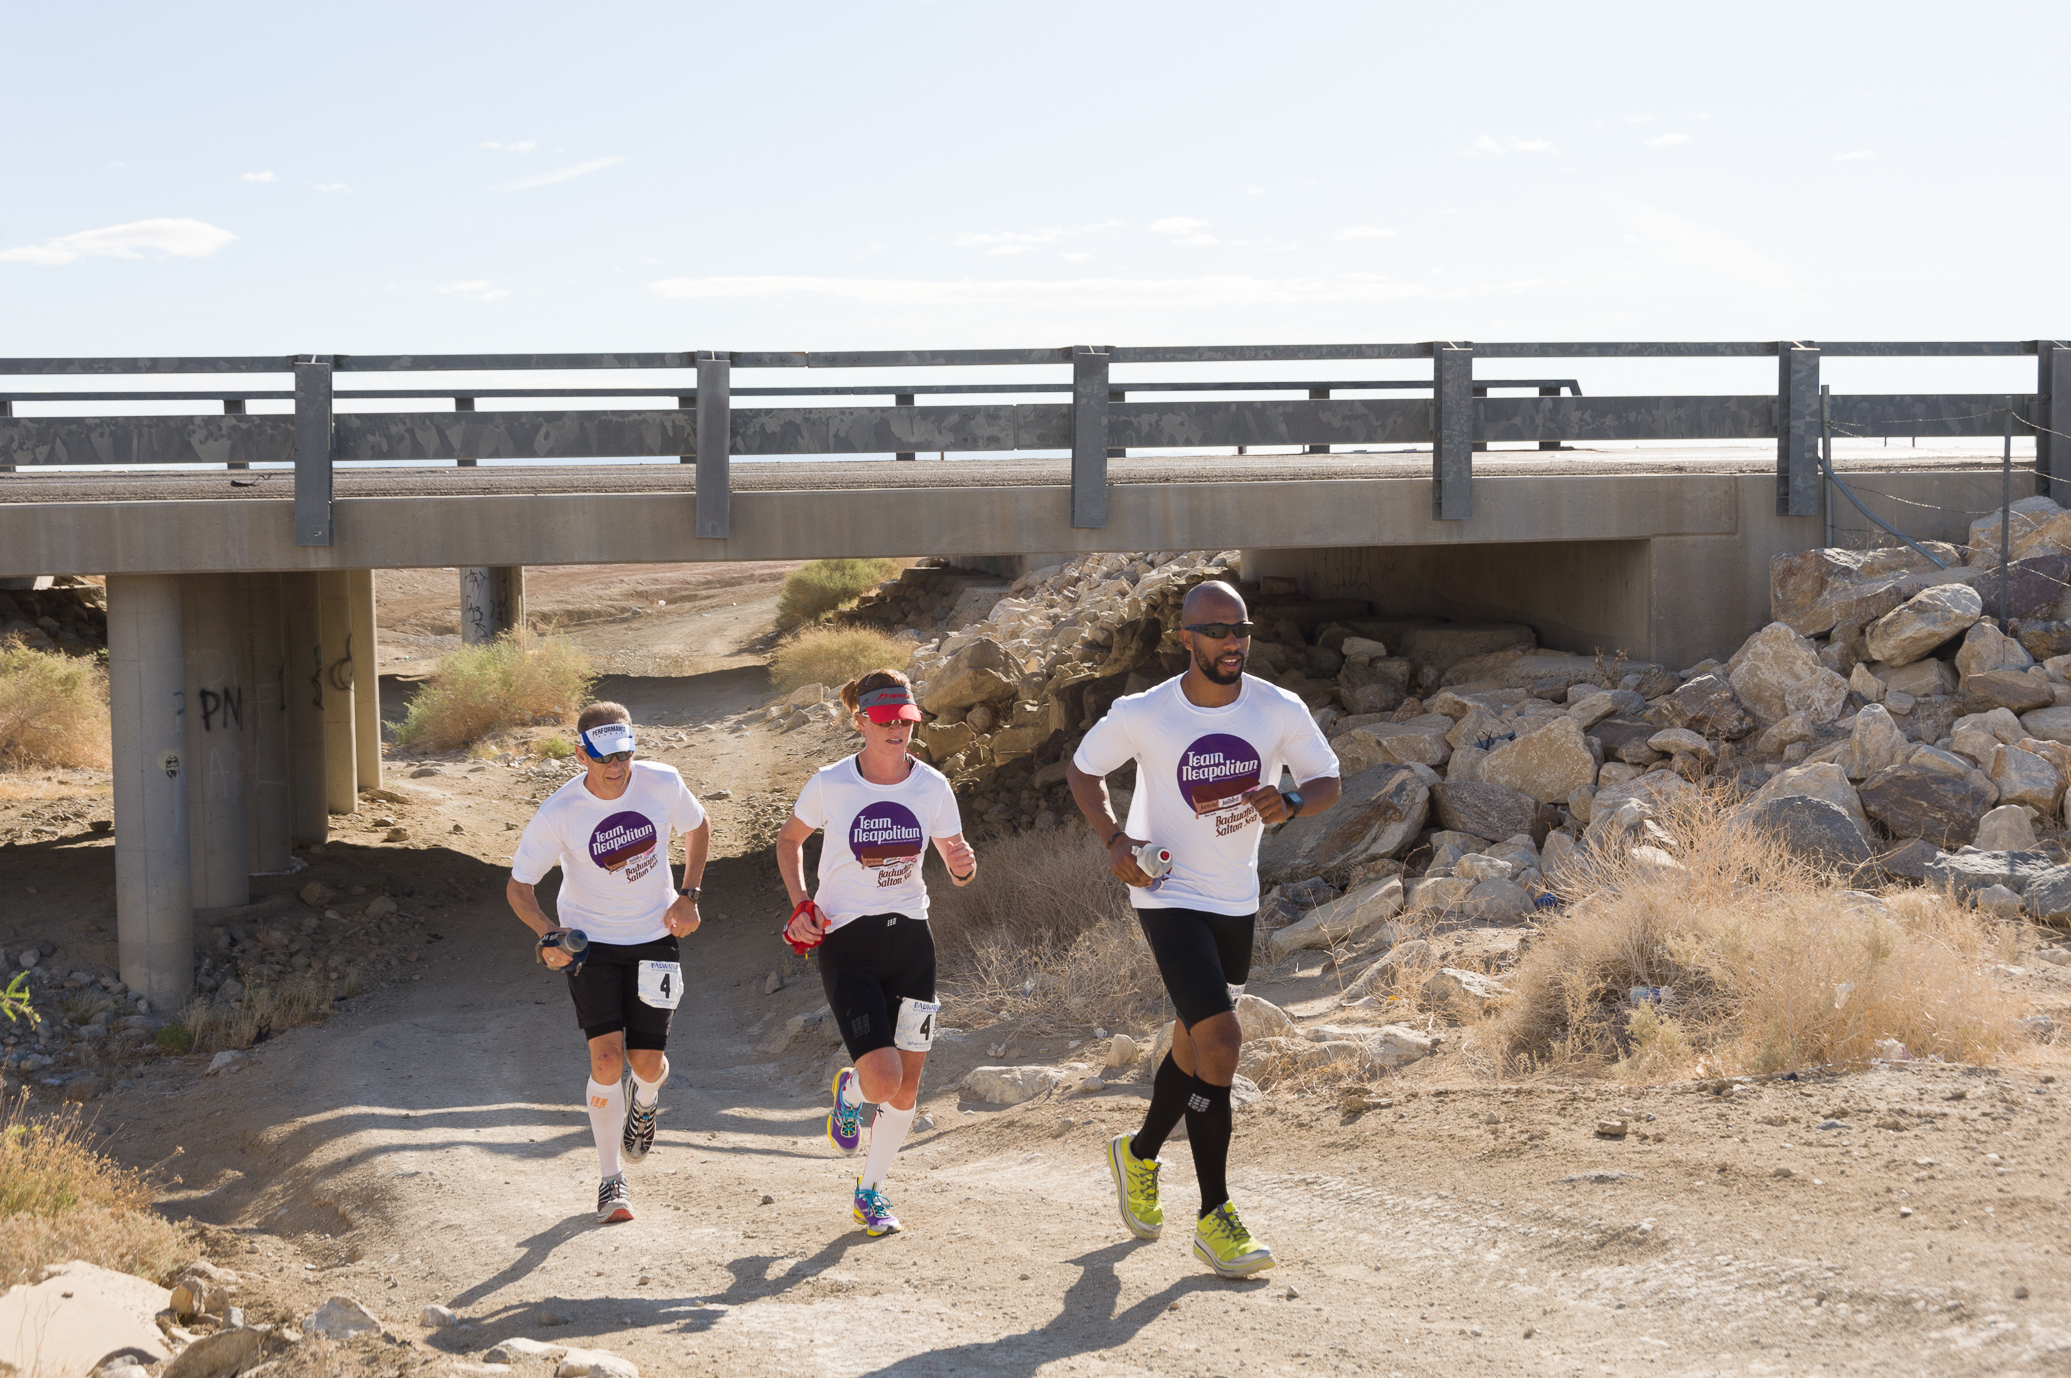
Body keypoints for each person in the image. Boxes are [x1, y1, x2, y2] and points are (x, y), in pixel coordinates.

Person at [1066, 580, 1341, 1278]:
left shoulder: (1277, 707)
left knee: (1193, 1046)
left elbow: (1327, 781)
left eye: (1241, 629)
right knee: (1221, 1040)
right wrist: (1113, 842)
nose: (1232, 642)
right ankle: (1215, 1217)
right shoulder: (1144, 713)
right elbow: (1082, 770)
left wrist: (1289, 801)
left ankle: (1138, 1154)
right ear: (1186, 638)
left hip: (1234, 896)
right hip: (1165, 892)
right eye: (1217, 631)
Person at [776, 669, 976, 1237]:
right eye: (885, 722)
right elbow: (789, 841)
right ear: (860, 720)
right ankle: (852, 1089)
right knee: (883, 1081)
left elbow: (958, 862)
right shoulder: (831, 783)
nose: (898, 732)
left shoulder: (932, 785)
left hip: (913, 943)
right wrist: (801, 905)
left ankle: (871, 1191)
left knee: (909, 1088)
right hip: (848, 945)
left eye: (906, 722)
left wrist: (964, 868)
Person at [507, 702, 710, 1224]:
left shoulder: (662, 782)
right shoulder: (560, 811)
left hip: (654, 938)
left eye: (624, 754)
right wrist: (548, 934)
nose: (617, 767)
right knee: (605, 1060)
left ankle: (645, 1097)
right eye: (604, 758)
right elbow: (519, 887)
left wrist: (688, 894)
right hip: (591, 946)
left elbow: (698, 825)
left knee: (645, 1064)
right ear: (581, 755)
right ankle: (609, 1181)